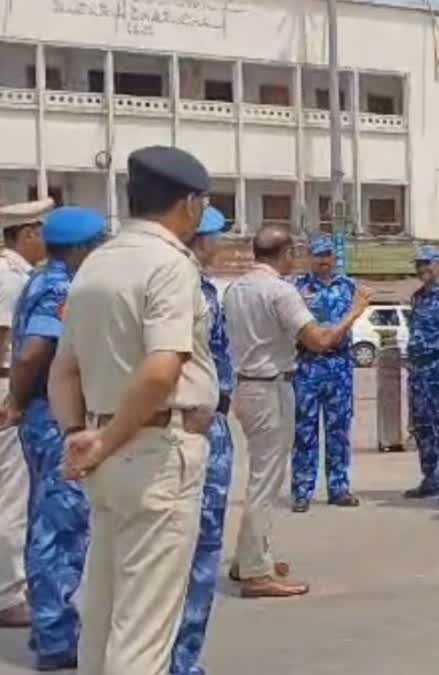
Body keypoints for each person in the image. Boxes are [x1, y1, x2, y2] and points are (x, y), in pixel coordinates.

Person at [47, 146, 217, 674]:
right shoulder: (169, 265)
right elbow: (162, 369)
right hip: (154, 452)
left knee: (102, 611)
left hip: (105, 450)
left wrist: (79, 432)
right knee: (144, 629)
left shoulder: (97, 261)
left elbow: (64, 368)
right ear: (189, 204)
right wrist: (108, 438)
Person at [224, 223, 370, 598]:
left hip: (248, 383)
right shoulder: (281, 291)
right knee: (265, 482)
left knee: (261, 475)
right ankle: (257, 572)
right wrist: (354, 313)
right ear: (285, 254)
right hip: (270, 386)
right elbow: (319, 340)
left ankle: (250, 557)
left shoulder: (237, 287)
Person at [6, 206, 105, 670]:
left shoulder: (39, 279)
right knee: (60, 528)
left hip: (43, 415)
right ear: (83, 248)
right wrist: (19, 400)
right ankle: (56, 636)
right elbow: (32, 353)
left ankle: (50, 626)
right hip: (53, 417)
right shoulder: (61, 287)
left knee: (47, 520)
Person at [168, 207, 233, 675]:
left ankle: (177, 655)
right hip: (193, 425)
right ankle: (180, 660)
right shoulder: (184, 284)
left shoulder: (199, 285)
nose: (221, 246)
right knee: (196, 546)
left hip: (204, 420)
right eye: (216, 237)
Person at [0, 198, 49, 631]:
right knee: (11, 495)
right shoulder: (11, 278)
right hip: (6, 386)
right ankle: (9, 593)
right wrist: (13, 398)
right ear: (27, 233)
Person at [291, 236, 360, 512]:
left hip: (339, 365)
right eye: (318, 255)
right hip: (308, 365)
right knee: (305, 430)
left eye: (327, 255)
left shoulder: (349, 287)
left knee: (339, 430)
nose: (323, 260)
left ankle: (339, 487)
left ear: (334, 258)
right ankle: (302, 490)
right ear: (310, 257)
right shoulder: (298, 288)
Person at [403, 246, 439, 500]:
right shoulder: (417, 297)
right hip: (418, 369)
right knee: (422, 426)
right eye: (419, 264)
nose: (422, 269)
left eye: (427, 264)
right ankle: (431, 477)